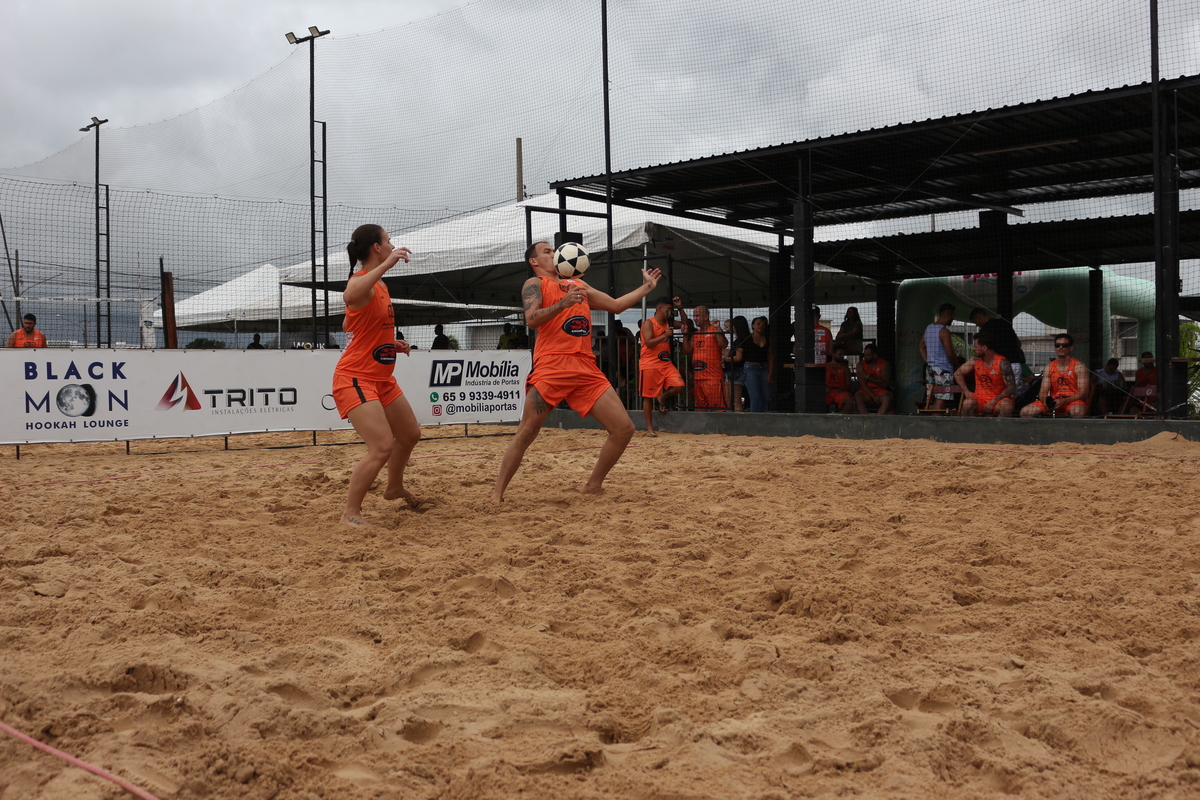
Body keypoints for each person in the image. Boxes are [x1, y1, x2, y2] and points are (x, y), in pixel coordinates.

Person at [491, 241, 662, 502]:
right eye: (547, 251)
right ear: (534, 261)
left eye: (553, 250)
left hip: (585, 367)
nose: (553, 253)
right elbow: (532, 319)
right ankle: (497, 495)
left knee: (624, 429)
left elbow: (616, 305)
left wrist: (647, 287)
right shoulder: (535, 283)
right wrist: (563, 303)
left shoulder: (579, 284)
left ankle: (593, 485)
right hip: (552, 365)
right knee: (526, 432)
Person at [332, 224, 421, 527]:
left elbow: (349, 325)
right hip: (355, 377)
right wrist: (387, 264)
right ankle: (350, 514)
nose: (393, 245)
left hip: (381, 378)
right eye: (388, 241)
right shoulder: (362, 280)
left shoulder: (378, 284)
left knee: (410, 435)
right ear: (376, 247)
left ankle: (393, 488)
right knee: (382, 446)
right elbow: (349, 296)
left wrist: (388, 342)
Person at [640, 297, 688, 434]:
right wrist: (664, 335)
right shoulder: (649, 323)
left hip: (665, 363)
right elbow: (649, 343)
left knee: (679, 385)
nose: (670, 312)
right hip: (650, 364)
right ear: (659, 308)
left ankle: (662, 398)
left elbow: (685, 323)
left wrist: (680, 307)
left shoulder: (669, 322)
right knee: (648, 396)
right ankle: (650, 427)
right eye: (668, 309)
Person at [1021, 334, 1091, 418]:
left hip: (1073, 401)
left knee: (1078, 412)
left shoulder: (1079, 366)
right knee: (1025, 412)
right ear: (1055, 348)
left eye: (1064, 345)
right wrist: (1045, 402)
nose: (1060, 347)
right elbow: (1043, 391)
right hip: (1054, 401)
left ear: (1071, 348)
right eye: (1058, 345)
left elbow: (1084, 393)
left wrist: (1064, 401)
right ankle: (1044, 427)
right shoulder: (1049, 367)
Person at [955, 332, 1016, 417]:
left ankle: (998, 425)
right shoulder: (975, 360)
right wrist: (966, 391)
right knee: (967, 403)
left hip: (997, 400)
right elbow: (958, 373)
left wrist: (993, 401)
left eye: (976, 346)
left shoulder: (1002, 362)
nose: (973, 349)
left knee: (1007, 406)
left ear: (984, 348)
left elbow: (1012, 387)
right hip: (980, 399)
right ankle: (968, 426)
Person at [969, 308, 1025, 387]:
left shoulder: (985, 330)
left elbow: (984, 351)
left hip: (999, 366)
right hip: (1015, 364)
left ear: (979, 318)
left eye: (975, 322)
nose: (977, 325)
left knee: (998, 391)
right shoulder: (1005, 323)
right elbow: (1018, 343)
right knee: (1012, 392)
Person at [686, 304, 727, 411]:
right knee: (700, 410)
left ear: (706, 316)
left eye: (697, 316)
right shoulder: (696, 334)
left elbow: (723, 344)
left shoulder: (714, 330)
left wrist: (718, 329)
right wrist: (685, 335)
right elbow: (687, 351)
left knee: (718, 410)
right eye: (694, 316)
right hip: (698, 378)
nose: (695, 318)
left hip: (713, 378)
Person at [919, 303, 959, 411]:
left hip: (930, 369)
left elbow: (921, 346)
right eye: (953, 316)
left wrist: (928, 361)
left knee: (931, 399)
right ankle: (935, 419)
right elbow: (950, 353)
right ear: (948, 314)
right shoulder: (944, 331)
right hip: (943, 370)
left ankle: (931, 418)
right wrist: (958, 365)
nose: (953, 319)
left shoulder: (929, 328)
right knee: (941, 400)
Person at [734, 316, 773, 412]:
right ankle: (754, 416)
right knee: (755, 396)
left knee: (765, 396)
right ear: (753, 325)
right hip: (750, 368)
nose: (761, 326)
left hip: (764, 368)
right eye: (758, 324)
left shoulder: (767, 339)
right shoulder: (747, 338)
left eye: (763, 324)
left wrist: (770, 372)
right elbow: (739, 351)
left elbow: (770, 356)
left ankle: (761, 415)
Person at [854, 342, 892, 414]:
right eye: (864, 355)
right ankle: (865, 418)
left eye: (867, 355)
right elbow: (863, 384)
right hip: (866, 391)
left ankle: (879, 417)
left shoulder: (884, 364)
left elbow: (884, 383)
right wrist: (874, 396)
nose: (865, 357)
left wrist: (867, 376)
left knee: (887, 397)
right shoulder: (860, 364)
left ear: (875, 355)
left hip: (880, 390)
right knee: (858, 396)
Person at [724, 316, 751, 412]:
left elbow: (738, 357)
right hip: (737, 371)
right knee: (735, 401)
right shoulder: (747, 338)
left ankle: (735, 419)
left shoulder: (739, 341)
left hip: (734, 371)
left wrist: (725, 358)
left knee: (733, 401)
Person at [826, 344, 854, 413]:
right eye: (840, 354)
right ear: (833, 354)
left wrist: (843, 390)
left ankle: (842, 418)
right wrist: (825, 387)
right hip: (828, 392)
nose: (842, 356)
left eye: (843, 354)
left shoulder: (845, 368)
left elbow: (849, 385)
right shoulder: (825, 366)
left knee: (850, 400)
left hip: (840, 392)